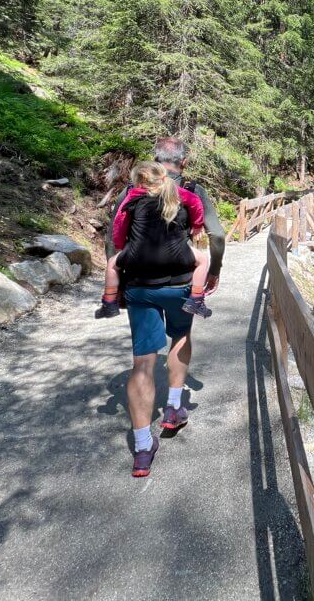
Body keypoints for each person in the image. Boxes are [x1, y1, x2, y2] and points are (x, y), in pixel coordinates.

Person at [105, 137, 225, 478]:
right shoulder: (191, 189)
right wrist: (213, 270)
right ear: (183, 163)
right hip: (180, 282)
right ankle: (173, 407)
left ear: (154, 160)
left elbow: (112, 239)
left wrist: (118, 279)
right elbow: (216, 236)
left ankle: (143, 445)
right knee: (181, 335)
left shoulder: (134, 189)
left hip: (140, 284)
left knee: (142, 363)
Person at [95, 162, 212, 319]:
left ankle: (109, 302)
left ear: (140, 180)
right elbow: (196, 203)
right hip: (176, 255)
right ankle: (196, 299)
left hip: (138, 255)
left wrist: (120, 245)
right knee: (203, 260)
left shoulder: (133, 195)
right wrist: (197, 225)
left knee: (112, 265)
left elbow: (120, 222)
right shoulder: (176, 192)